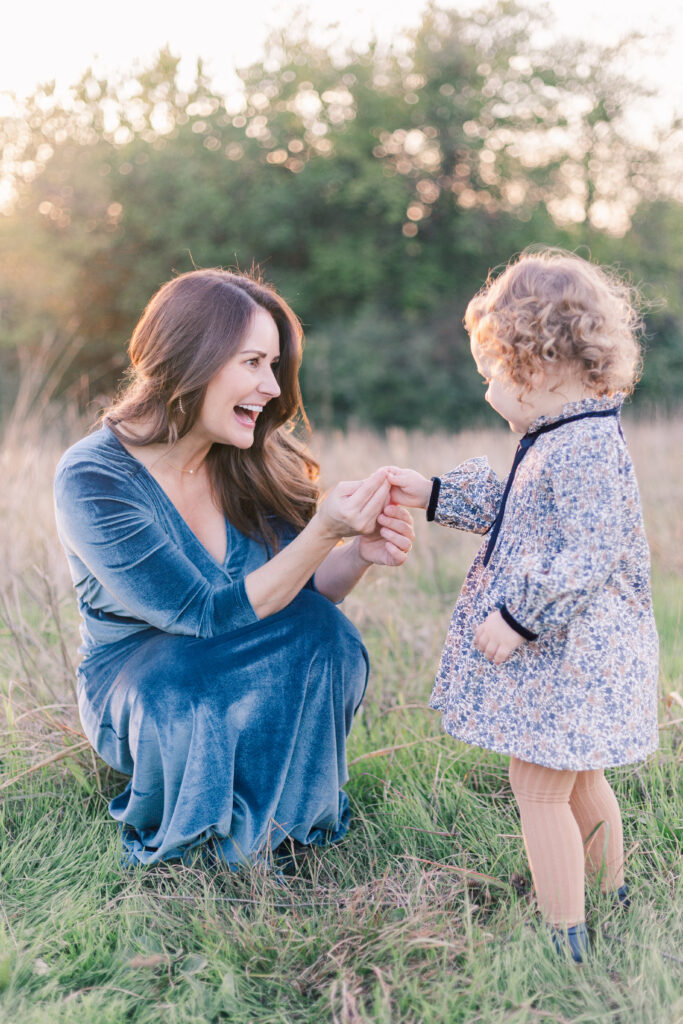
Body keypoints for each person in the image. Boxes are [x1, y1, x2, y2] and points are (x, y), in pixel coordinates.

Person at [54, 268, 414, 868]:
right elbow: (202, 614)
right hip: (146, 681)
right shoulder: (94, 477)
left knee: (326, 633)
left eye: (274, 365)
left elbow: (297, 595)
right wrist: (324, 531)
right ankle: (200, 839)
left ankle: (291, 823)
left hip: (231, 648)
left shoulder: (244, 457)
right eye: (253, 362)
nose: (272, 387)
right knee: (186, 684)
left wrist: (353, 555)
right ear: (190, 358)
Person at [386, 250, 659, 962]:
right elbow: (519, 517)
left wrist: (516, 618)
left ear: (534, 366)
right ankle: (611, 896)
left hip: (573, 656)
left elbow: (587, 553)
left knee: (536, 785)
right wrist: (432, 492)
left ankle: (565, 934)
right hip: (571, 658)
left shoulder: (581, 448)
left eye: (492, 378)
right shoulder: (559, 439)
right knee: (577, 776)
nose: (489, 396)